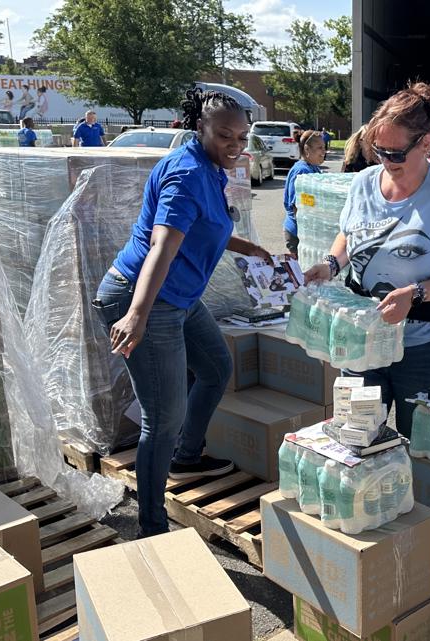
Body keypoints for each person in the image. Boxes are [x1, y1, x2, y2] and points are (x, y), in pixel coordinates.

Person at [93, 88, 271, 538]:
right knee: (162, 417)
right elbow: (162, 245)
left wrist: (244, 244)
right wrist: (136, 314)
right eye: (225, 135)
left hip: (180, 300)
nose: (235, 145)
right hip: (146, 299)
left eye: (242, 137)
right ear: (200, 129)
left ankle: (187, 456)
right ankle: (151, 527)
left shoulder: (211, 168)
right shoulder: (188, 174)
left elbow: (199, 227)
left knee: (215, 368)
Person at [303, 82, 430, 438]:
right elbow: (349, 234)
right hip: (361, 336)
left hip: (422, 343)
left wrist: (414, 294)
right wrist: (330, 264)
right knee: (355, 434)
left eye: (396, 154)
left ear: (426, 142)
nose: (386, 162)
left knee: (418, 442)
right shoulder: (364, 183)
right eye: (379, 150)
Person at [282, 130, 326, 256]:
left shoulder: (313, 168)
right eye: (320, 148)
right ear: (307, 149)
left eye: (324, 147)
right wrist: (306, 236)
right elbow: (298, 206)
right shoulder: (302, 171)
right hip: (298, 233)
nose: (324, 151)